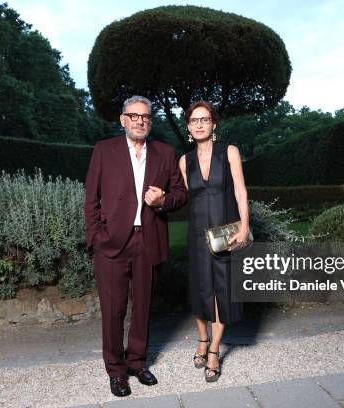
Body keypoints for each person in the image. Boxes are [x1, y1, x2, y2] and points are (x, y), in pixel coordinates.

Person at [84, 95, 188, 397]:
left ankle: (137, 363)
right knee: (113, 310)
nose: (140, 121)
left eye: (145, 116)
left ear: (150, 121)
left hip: (149, 239)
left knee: (143, 308)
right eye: (134, 116)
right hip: (112, 243)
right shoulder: (104, 151)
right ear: (123, 120)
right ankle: (116, 372)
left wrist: (163, 201)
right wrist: (95, 237)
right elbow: (91, 199)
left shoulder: (166, 153)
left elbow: (181, 194)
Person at [178, 100, 250, 382]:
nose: (199, 124)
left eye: (204, 119)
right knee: (199, 290)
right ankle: (202, 339)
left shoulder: (229, 152)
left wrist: (244, 227)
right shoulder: (184, 161)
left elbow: (242, 192)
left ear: (214, 123)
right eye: (194, 120)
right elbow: (187, 199)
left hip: (225, 234)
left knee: (221, 290)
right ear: (188, 126)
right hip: (197, 235)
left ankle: (214, 351)